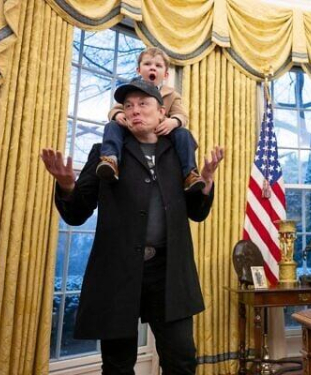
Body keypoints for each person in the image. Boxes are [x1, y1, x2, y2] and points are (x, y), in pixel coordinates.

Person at [41, 78, 224, 374]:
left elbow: (197, 213)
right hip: (118, 272)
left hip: (169, 273)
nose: (134, 110)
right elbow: (77, 213)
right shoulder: (105, 153)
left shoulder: (179, 153)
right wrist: (66, 184)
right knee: (117, 364)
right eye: (128, 105)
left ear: (162, 112)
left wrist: (207, 181)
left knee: (181, 358)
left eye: (143, 104)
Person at [97, 47, 204, 192]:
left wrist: (173, 121)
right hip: (135, 130)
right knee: (112, 126)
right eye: (147, 64)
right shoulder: (131, 92)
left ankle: (190, 173)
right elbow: (115, 110)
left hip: (162, 131)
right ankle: (110, 160)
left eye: (158, 66)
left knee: (183, 134)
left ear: (165, 74)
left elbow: (182, 115)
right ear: (138, 70)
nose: (152, 68)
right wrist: (118, 115)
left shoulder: (172, 94)